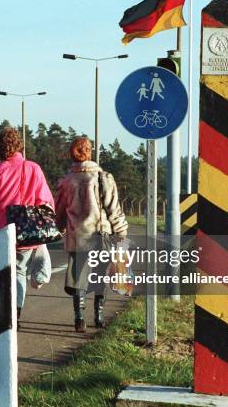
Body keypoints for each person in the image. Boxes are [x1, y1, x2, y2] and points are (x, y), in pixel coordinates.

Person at [0, 127, 54, 325]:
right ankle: (16, 312)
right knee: (19, 271)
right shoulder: (34, 169)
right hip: (26, 233)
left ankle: (4, 313)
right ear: (19, 145)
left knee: (2, 275)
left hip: (0, 232)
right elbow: (45, 201)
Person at [55, 137, 128, 333]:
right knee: (100, 275)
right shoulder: (103, 178)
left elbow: (59, 212)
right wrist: (121, 231)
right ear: (90, 153)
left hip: (77, 236)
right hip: (101, 235)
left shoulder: (66, 181)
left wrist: (58, 228)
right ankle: (99, 316)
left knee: (79, 276)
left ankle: (79, 318)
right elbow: (114, 209)